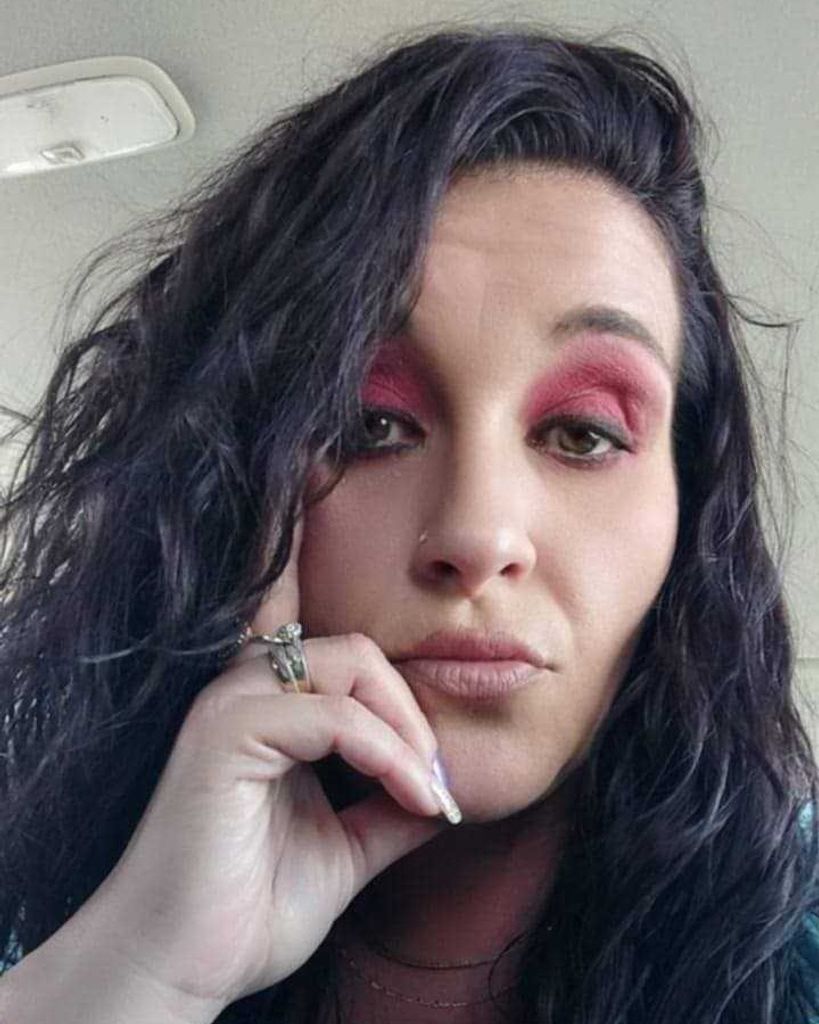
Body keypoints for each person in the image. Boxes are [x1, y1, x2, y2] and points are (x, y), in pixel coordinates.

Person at [0, 23, 818, 1024]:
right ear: (230, 487)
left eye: (582, 433)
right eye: (370, 424)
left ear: (686, 511)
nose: (478, 535)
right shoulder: (46, 921)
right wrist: (142, 967)